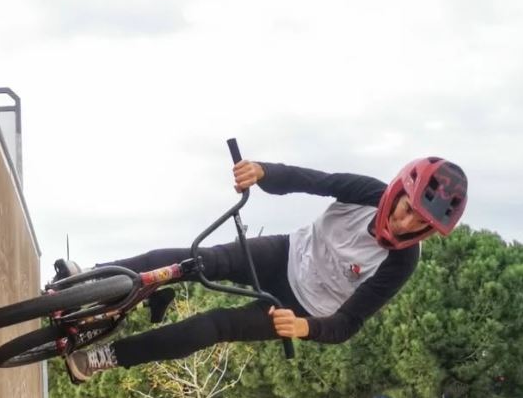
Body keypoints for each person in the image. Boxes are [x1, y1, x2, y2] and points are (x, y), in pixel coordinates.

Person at [63, 156, 468, 382]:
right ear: (397, 192)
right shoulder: (367, 193)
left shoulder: (402, 262)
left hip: (299, 308)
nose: (406, 224)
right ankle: (90, 281)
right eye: (407, 209)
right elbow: (312, 180)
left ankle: (103, 358)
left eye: (421, 225)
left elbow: (349, 323)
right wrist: (263, 172)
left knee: (211, 327)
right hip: (286, 253)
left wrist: (305, 327)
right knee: (195, 260)